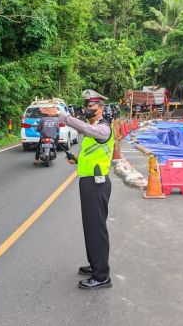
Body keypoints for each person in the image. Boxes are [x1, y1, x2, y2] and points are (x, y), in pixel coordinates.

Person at [40, 89, 114, 290]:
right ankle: (95, 265)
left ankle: (102, 276)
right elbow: (92, 154)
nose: (88, 109)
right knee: (90, 228)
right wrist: (77, 159)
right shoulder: (94, 129)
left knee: (96, 229)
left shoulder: (103, 128)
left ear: (101, 108)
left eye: (91, 106)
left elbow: (84, 129)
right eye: (87, 106)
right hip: (89, 182)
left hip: (97, 184)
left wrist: (62, 116)